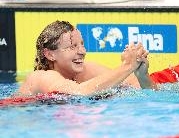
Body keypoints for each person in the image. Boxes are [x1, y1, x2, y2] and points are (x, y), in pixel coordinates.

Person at [15, 20, 157, 97]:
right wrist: (127, 66)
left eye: (82, 44)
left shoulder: (86, 70)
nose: (82, 51)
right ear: (50, 54)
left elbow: (147, 92)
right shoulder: (41, 77)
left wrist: (142, 75)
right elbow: (79, 93)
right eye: (72, 46)